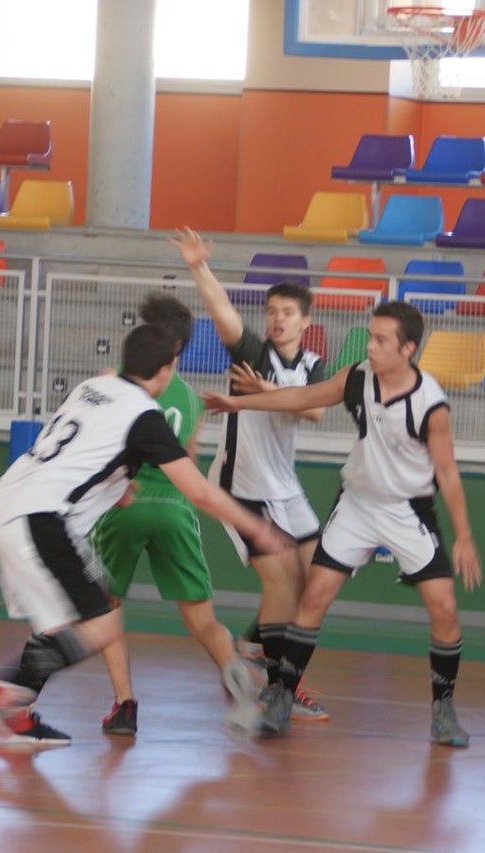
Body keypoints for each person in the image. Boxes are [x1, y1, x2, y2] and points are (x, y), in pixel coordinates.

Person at [0, 323, 292, 747]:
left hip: (6, 503)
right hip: (40, 520)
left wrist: (117, 486)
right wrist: (256, 526)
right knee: (101, 626)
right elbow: (201, 492)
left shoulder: (93, 387)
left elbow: (80, 451)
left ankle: (16, 717)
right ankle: (0, 693)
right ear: (168, 369)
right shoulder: (144, 418)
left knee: (66, 620)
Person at [204, 301, 482, 746]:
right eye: (370, 337)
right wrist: (240, 400)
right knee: (313, 595)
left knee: (444, 608)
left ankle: (443, 709)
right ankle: (281, 695)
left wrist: (464, 535)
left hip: (408, 509)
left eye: (381, 341)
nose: (370, 346)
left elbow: (446, 472)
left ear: (408, 348)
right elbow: (304, 397)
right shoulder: (357, 377)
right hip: (356, 505)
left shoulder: (430, 402)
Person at [170, 227, 330, 722]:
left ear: (306, 320)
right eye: (272, 312)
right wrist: (200, 267)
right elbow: (224, 316)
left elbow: (316, 412)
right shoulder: (253, 356)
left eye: (287, 313)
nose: (277, 320)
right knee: (281, 583)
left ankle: (255, 641)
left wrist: (264, 393)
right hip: (242, 488)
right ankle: (282, 688)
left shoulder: (312, 365)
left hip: (285, 487)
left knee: (314, 582)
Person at [92, 294, 257, 736]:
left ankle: (125, 705)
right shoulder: (192, 398)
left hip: (123, 502)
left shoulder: (113, 382)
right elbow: (186, 458)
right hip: (175, 507)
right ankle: (233, 674)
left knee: (106, 609)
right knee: (201, 617)